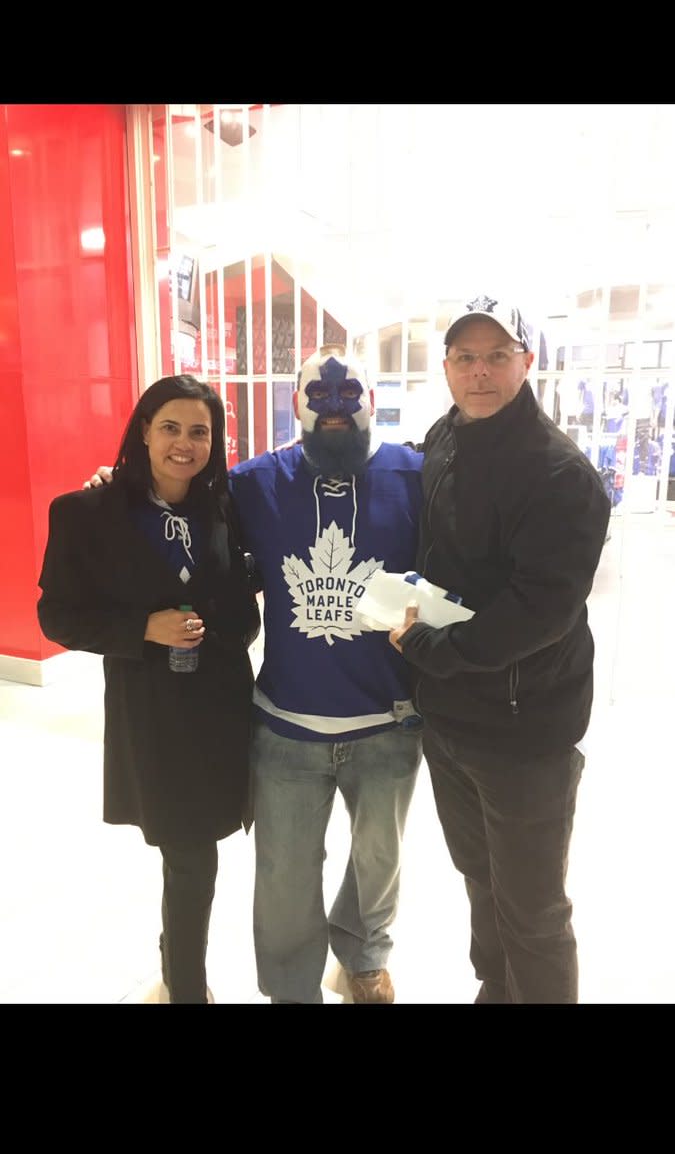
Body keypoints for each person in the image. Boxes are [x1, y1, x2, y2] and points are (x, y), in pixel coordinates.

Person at [84, 346, 423, 1005]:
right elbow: (175, 500)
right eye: (317, 397)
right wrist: (117, 484)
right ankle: (291, 988)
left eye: (347, 395)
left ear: (372, 401)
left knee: (378, 862)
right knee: (285, 874)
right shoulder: (251, 483)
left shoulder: (418, 474)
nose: (333, 408)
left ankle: (362, 957)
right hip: (287, 721)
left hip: (390, 716)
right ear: (295, 404)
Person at [390, 294, 611, 1004]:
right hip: (450, 720)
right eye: (463, 357)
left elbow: (539, 610)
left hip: (523, 729)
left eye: (494, 356)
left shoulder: (558, 474)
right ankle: (497, 989)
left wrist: (432, 649)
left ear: (526, 361)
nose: (478, 371)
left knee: (533, 910)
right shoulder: (445, 437)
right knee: (481, 881)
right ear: (446, 365)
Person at [38, 374, 260, 1004]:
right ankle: (186, 986)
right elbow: (57, 617)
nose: (184, 444)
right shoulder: (87, 512)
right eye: (170, 427)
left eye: (200, 432)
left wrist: (220, 627)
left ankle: (177, 964)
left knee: (199, 849)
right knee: (189, 854)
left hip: (221, 706)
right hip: (150, 711)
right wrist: (143, 628)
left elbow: (248, 605)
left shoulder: (225, 507)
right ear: (142, 430)